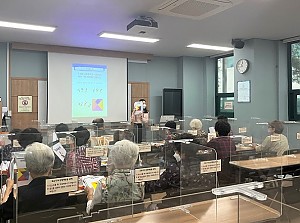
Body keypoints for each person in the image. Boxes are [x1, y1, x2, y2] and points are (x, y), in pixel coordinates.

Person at [0, 143, 68, 220]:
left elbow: (4, 213)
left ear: (28, 168)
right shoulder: (62, 188)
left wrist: (8, 189)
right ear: (51, 166)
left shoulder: (22, 193)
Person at [86, 140, 144, 214]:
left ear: (113, 158)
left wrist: (90, 195)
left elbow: (92, 211)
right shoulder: (140, 181)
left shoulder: (104, 183)